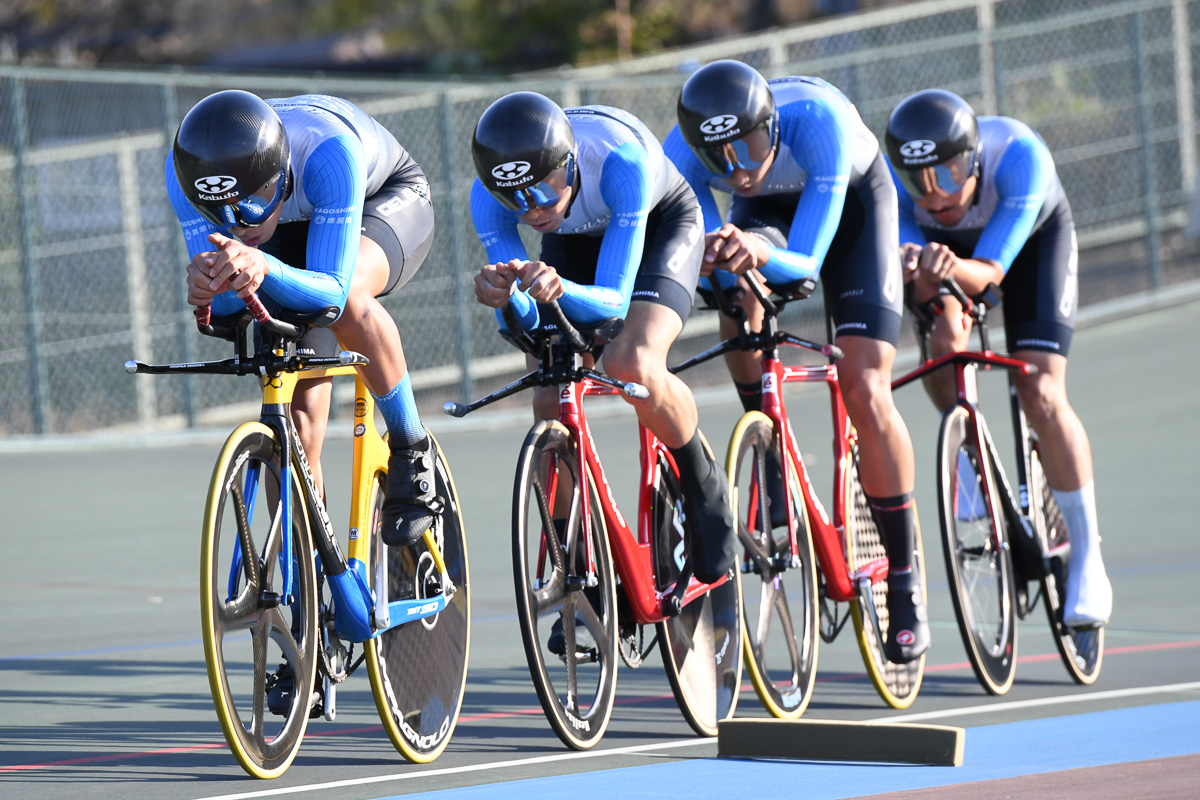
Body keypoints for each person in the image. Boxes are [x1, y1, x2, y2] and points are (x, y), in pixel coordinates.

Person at [665, 59, 927, 663]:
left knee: (864, 385)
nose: (739, 169)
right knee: (732, 292)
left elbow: (806, 261)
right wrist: (718, 257)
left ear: (773, 127)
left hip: (853, 208)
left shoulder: (819, 123)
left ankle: (906, 576)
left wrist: (752, 246)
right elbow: (694, 240)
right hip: (767, 222)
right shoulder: (679, 150)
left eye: (752, 146)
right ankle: (771, 447)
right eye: (720, 159)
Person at [469, 92, 735, 650]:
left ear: (567, 165)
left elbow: (613, 303)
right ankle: (575, 565)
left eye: (541, 188)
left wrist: (557, 289)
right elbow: (521, 317)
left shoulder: (620, 165)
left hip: (659, 225)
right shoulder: (494, 198)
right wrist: (506, 297)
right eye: (514, 198)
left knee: (631, 360)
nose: (532, 207)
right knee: (548, 392)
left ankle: (704, 489)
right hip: (571, 246)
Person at [167, 90, 439, 554]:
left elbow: (331, 295)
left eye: (249, 204)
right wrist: (211, 285)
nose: (237, 223)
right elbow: (233, 309)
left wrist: (263, 267)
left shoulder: (327, 153)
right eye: (220, 212)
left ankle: (411, 444)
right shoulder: (186, 178)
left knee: (351, 296)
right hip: (285, 235)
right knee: (292, 428)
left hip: (379, 199)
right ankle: (315, 581)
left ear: (280, 175)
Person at [884, 89, 1112, 627]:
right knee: (944, 345)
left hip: (1029, 246)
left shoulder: (1019, 157)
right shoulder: (896, 191)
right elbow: (919, 290)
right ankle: (966, 455)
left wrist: (941, 265)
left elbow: (987, 276)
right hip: (943, 259)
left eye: (948, 174)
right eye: (919, 182)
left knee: (1040, 390)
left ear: (975, 160)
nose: (935, 195)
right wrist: (919, 277)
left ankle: (1087, 555)